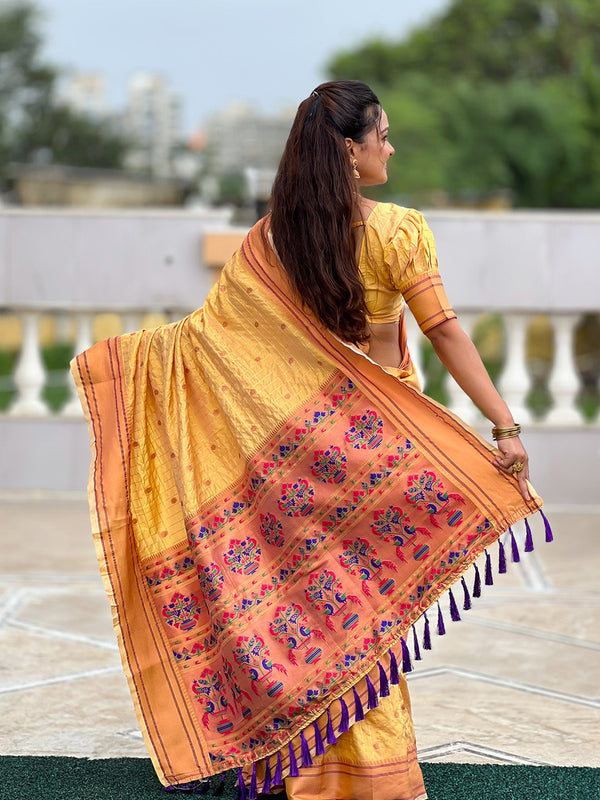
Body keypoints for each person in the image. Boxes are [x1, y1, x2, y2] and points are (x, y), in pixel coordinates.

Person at [72, 80, 549, 800]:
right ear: (351, 153)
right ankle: (367, 777)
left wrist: (124, 370)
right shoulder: (397, 230)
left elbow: (208, 346)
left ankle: (298, 769)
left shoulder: (269, 242)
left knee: (310, 615)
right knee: (364, 621)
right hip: (374, 461)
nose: (391, 146)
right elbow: (444, 330)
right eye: (381, 134)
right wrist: (504, 427)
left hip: (298, 469)